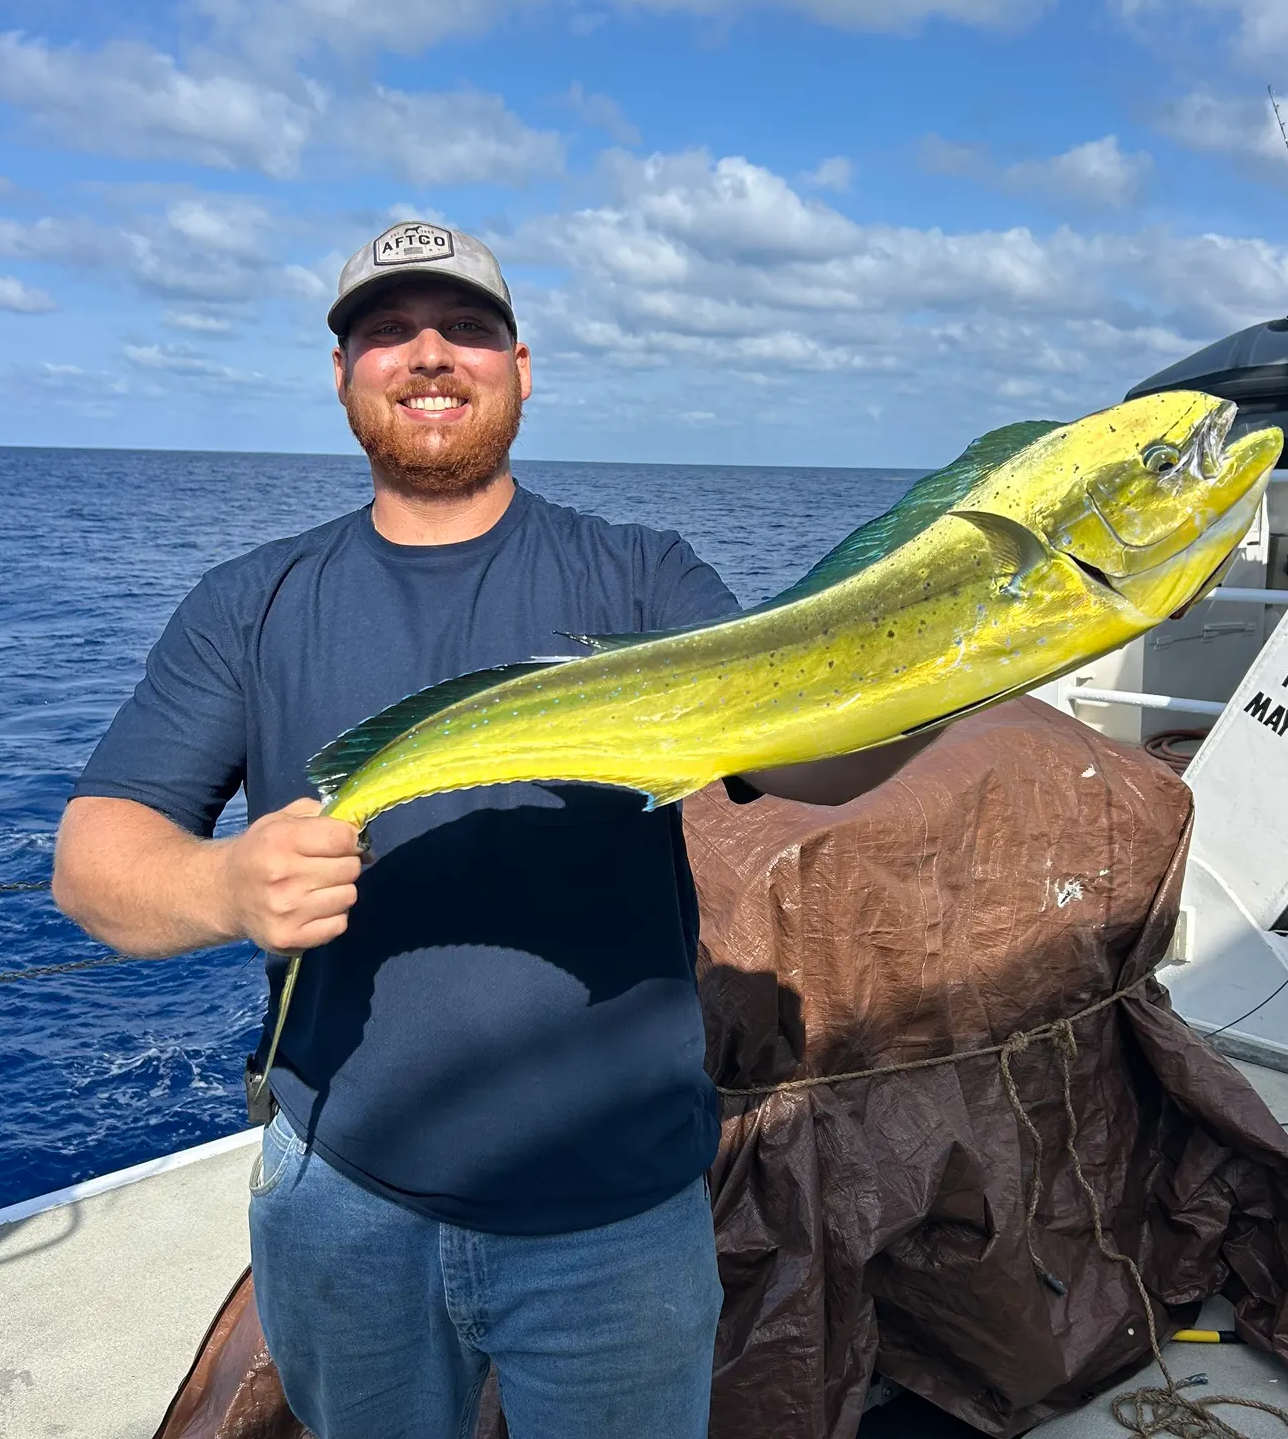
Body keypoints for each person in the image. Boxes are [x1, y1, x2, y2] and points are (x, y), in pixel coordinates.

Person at [53, 222, 938, 1439]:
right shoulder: (247, 604)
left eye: (466, 328)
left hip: (616, 1214)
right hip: (339, 1199)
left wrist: (965, 660)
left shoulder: (643, 578)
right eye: (389, 332)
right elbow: (94, 859)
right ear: (342, 374)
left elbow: (812, 757)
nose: (430, 355)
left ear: (521, 367)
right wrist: (226, 885)